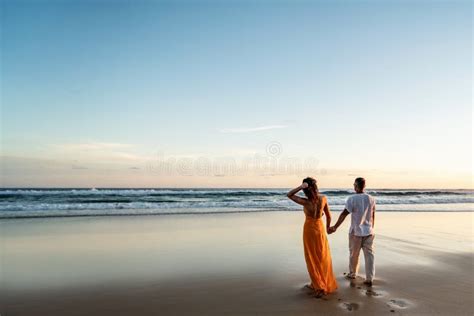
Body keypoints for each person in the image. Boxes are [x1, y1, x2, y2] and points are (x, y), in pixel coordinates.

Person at [287, 177, 338, 297]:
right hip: (320, 229)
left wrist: (300, 187)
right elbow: (329, 216)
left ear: (306, 190)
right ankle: (322, 282)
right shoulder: (323, 199)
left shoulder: (305, 202)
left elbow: (289, 194)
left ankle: (318, 285)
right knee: (322, 255)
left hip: (309, 230)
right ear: (315, 187)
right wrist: (328, 228)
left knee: (311, 256)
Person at [329, 177, 376, 286]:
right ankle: (370, 278)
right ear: (364, 186)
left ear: (356, 185)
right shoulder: (371, 198)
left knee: (354, 254)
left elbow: (344, 214)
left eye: (354, 184)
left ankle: (353, 273)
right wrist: (371, 227)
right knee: (369, 255)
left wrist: (335, 227)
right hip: (369, 231)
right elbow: (373, 215)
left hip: (356, 231)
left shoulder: (352, 199)